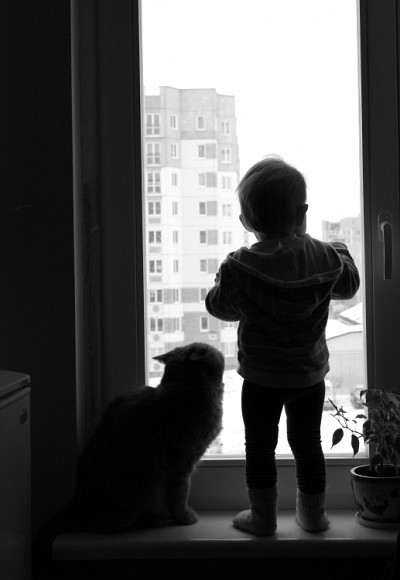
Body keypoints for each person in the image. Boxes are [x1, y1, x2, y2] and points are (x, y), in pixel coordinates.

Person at [205, 155, 360, 536]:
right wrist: (341, 249)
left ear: (246, 221)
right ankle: (313, 515)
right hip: (308, 375)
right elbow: (349, 285)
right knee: (308, 443)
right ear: (302, 213)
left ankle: (262, 517)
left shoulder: (238, 267)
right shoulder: (323, 257)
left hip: (260, 377)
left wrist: (219, 284)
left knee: (259, 445)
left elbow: (220, 308)